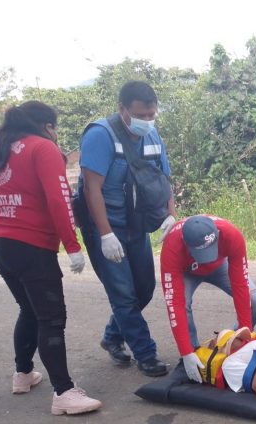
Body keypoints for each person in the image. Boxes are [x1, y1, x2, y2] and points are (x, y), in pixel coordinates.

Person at [0, 101, 102, 415]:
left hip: (1, 244)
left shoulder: (2, 148)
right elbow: (59, 199)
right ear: (46, 126)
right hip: (31, 245)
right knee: (51, 318)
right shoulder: (43, 149)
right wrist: (73, 245)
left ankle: (23, 373)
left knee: (28, 308)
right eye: (55, 127)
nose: (56, 133)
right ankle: (64, 392)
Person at [78, 80, 176, 377]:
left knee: (144, 289)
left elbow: (164, 179)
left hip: (138, 227)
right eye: (141, 115)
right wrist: (105, 234)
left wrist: (171, 216)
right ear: (122, 109)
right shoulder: (100, 135)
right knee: (123, 295)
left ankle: (111, 337)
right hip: (108, 229)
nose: (147, 121)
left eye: (151, 115)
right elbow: (91, 189)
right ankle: (146, 354)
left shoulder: (152, 135)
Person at [160, 215, 256, 383]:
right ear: (187, 244)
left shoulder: (231, 234)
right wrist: (186, 351)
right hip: (187, 271)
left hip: (220, 265)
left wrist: (245, 336)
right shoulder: (173, 246)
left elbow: (240, 286)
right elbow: (174, 304)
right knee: (183, 304)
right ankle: (194, 354)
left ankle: (232, 341)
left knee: (255, 298)